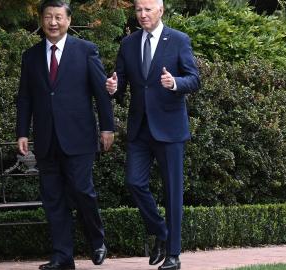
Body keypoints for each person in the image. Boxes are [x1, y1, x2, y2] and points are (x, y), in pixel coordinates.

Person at [16, 1, 114, 269]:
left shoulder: (86, 51)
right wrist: (22, 132)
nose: (53, 22)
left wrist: (107, 127)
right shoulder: (31, 56)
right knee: (53, 199)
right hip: (47, 139)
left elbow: (101, 93)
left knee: (83, 191)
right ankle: (62, 256)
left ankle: (97, 240)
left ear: (69, 21)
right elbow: (25, 98)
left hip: (79, 137)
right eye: (48, 17)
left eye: (58, 17)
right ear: (41, 20)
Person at [106, 0, 200, 269]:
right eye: (138, 10)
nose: (143, 14)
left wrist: (175, 83)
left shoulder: (179, 40)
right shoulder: (128, 43)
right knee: (134, 182)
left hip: (170, 128)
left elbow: (194, 79)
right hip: (140, 128)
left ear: (160, 11)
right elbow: (121, 82)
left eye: (148, 9)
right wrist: (113, 87)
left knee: (173, 193)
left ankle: (173, 255)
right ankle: (161, 231)